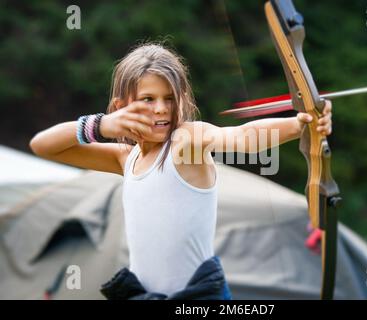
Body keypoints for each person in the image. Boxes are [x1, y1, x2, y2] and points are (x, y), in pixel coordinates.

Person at [29, 42, 333, 300]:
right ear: (121, 105)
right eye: (148, 99)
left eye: (169, 99)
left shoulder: (185, 142)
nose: (161, 108)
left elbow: (242, 137)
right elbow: (43, 145)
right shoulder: (126, 158)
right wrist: (102, 125)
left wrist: (301, 125)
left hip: (198, 296)